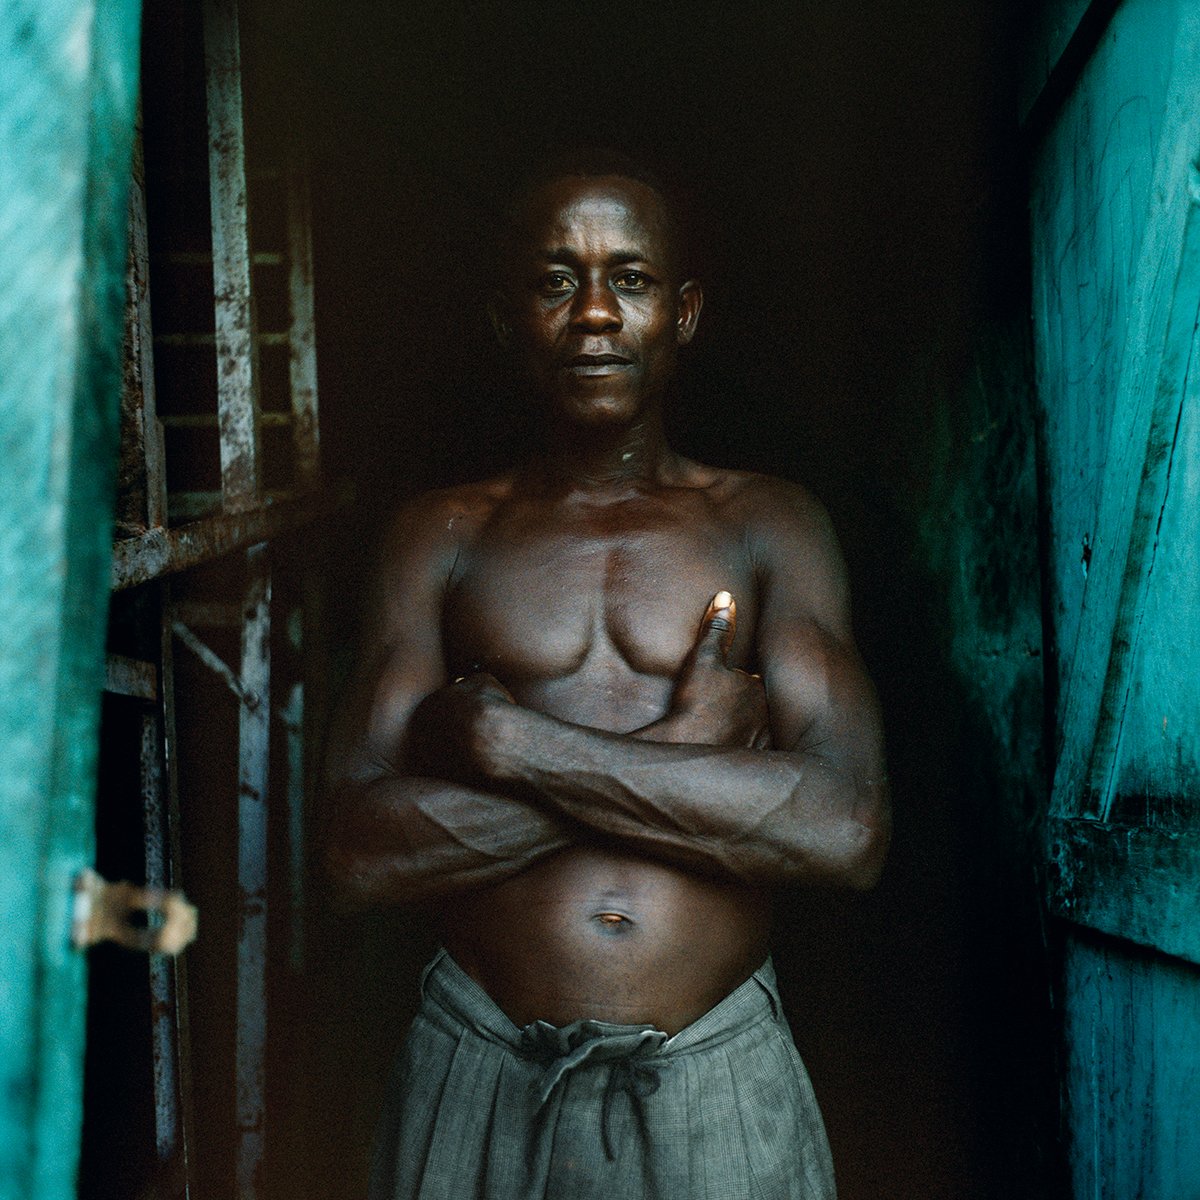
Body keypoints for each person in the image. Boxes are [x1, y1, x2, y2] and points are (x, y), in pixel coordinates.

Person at [322, 153, 890, 1199]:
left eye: (628, 278)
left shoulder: (769, 525)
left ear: (683, 313)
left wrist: (512, 745)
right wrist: (686, 753)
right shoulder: (440, 537)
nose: (592, 312)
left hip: (711, 1073)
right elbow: (356, 854)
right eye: (555, 280)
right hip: (480, 1066)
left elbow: (845, 830)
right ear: (506, 319)